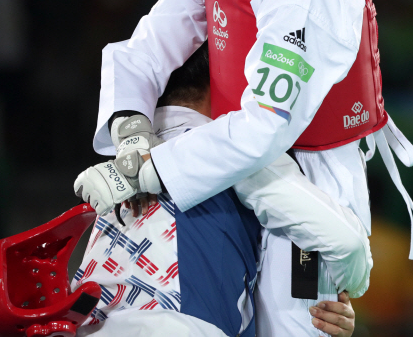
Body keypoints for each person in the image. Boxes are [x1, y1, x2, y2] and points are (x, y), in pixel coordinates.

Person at [75, 0, 413, 336]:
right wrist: (131, 131)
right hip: (230, 153)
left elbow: (266, 125)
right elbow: (149, 44)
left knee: (297, 327)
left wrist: (145, 171)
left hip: (305, 183)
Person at [75, 43, 358, 337]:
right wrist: (338, 294)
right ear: (226, 80)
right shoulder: (236, 155)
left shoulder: (114, 177)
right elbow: (345, 242)